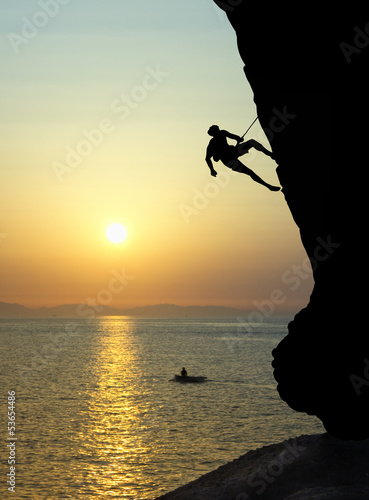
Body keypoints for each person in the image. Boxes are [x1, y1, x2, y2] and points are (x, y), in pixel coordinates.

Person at [205, 125, 280, 191]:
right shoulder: (212, 143)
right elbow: (207, 158)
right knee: (249, 172)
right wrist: (212, 169)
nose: (219, 132)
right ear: (214, 134)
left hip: (233, 152)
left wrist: (238, 139)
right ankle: (268, 186)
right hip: (228, 160)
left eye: (218, 130)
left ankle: (270, 154)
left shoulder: (222, 133)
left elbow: (234, 136)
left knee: (251, 142)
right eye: (217, 131)